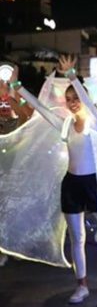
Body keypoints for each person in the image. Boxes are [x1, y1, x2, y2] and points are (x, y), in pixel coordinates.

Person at [12, 55, 97, 304]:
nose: (73, 103)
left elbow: (88, 103)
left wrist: (72, 76)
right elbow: (40, 109)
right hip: (72, 185)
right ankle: (82, 286)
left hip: (93, 184)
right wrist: (17, 86)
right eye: (69, 99)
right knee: (77, 238)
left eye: (76, 98)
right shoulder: (65, 125)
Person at [0, 66, 34, 267]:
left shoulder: (16, 114)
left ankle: (13, 246)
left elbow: (28, 115)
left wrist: (13, 96)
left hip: (14, 169)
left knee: (12, 209)